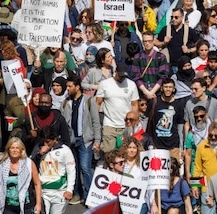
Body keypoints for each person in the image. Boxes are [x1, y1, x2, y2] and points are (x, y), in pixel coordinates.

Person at [61, 76, 101, 204]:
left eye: (70, 86)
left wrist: (97, 140)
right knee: (75, 169)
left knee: (85, 168)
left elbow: (95, 122)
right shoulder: (66, 102)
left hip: (85, 140)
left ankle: (90, 196)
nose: (67, 89)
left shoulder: (89, 101)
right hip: (71, 141)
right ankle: (78, 194)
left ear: (77, 87)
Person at [191, 121, 217, 214]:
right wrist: (194, 186)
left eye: (216, 136)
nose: (213, 138)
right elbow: (197, 167)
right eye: (211, 135)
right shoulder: (201, 146)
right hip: (207, 189)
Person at [96, 62, 140, 153]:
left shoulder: (131, 85)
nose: (122, 78)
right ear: (115, 72)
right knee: (109, 153)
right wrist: (97, 123)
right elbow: (98, 103)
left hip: (125, 125)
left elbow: (134, 104)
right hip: (109, 124)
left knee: (123, 153)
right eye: (120, 76)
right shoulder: (105, 84)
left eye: (124, 76)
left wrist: (134, 121)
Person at [0, 137, 41, 214]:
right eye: (12, 148)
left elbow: (37, 184)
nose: (14, 150)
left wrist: (38, 204)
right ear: (8, 149)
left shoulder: (29, 164)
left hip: (27, 207)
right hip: (8, 208)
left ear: (21, 150)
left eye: (17, 148)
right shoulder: (2, 166)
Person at [32, 127, 76, 214]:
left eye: (48, 142)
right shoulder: (38, 148)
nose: (45, 144)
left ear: (55, 139)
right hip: (43, 192)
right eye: (43, 141)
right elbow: (31, 165)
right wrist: (39, 155)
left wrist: (70, 190)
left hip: (60, 192)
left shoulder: (65, 150)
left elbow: (71, 171)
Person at [146, 78, 185, 160]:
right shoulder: (154, 102)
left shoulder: (179, 104)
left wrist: (181, 147)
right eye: (166, 87)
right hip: (156, 145)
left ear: (174, 89)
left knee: (174, 171)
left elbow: (180, 127)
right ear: (161, 88)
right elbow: (146, 121)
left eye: (170, 87)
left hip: (174, 145)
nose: (168, 89)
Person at [130, 31, 171, 100]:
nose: (147, 43)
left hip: (157, 93)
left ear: (153, 41)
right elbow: (136, 77)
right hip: (142, 93)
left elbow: (163, 77)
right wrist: (146, 92)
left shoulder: (161, 57)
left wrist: (152, 92)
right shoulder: (137, 57)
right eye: (145, 41)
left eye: (149, 41)